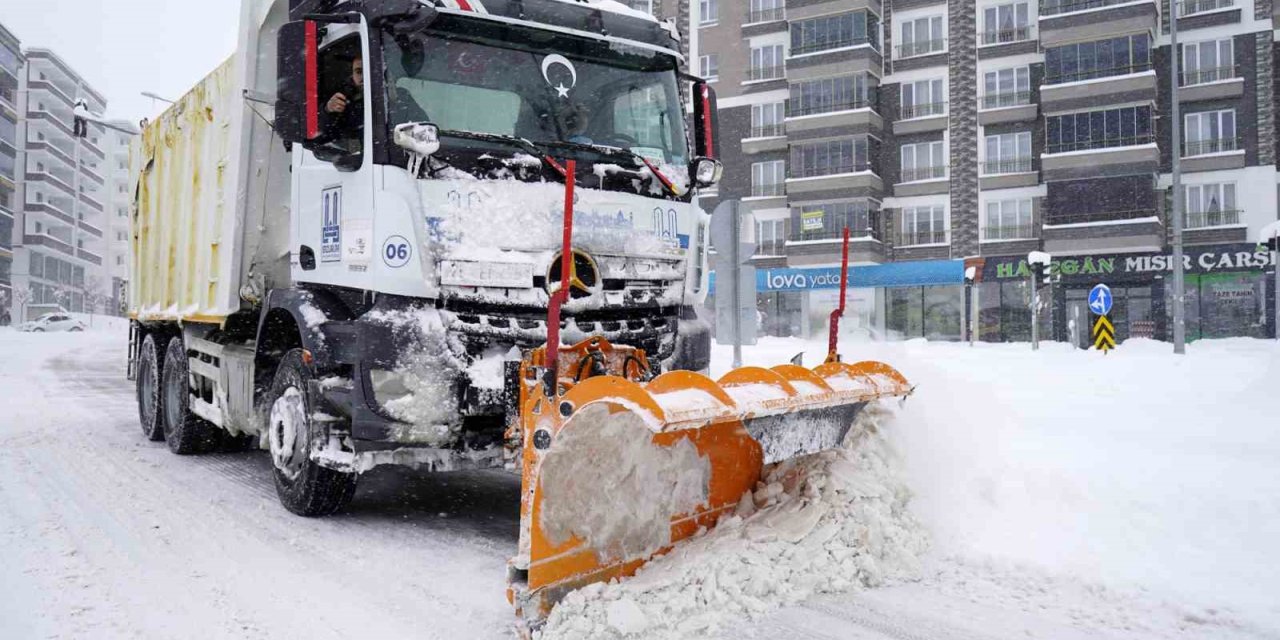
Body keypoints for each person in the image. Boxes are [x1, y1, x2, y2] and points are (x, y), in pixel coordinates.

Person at [323, 55, 364, 144]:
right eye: (359, 71)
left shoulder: (398, 95)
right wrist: (328, 111)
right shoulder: (342, 99)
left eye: (369, 70)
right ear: (352, 75)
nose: (364, 76)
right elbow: (325, 135)